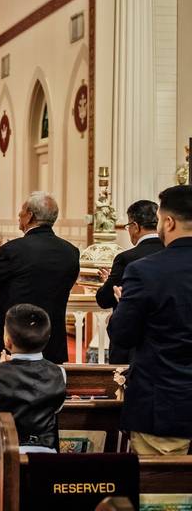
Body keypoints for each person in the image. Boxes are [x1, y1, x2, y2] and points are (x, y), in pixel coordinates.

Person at [108, 185, 192, 456]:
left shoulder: (146, 271)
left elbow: (122, 335)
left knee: (161, 495)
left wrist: (122, 308)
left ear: (168, 222)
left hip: (164, 406)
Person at [0, 192, 79, 364]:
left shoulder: (13, 250)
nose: (18, 215)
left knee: (5, 389)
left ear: (30, 215)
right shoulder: (71, 252)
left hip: (14, 341)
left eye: (21, 211)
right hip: (51, 341)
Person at [0, 304, 67, 453]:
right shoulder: (59, 372)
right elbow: (57, 407)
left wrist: (2, 369)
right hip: (46, 453)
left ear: (7, 341)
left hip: (4, 452)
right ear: (47, 339)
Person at [94, 199, 163, 363]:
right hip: (164, 342)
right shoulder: (170, 253)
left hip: (131, 342)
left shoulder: (126, 258)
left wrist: (108, 283)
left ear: (136, 226)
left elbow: (104, 300)